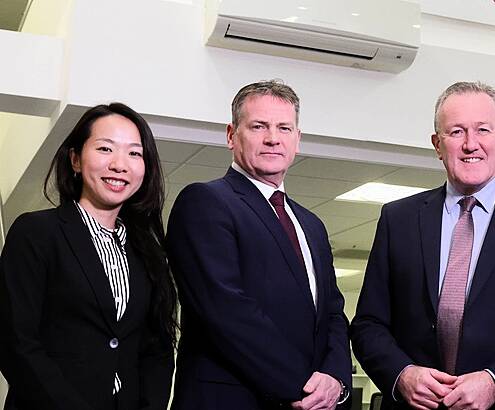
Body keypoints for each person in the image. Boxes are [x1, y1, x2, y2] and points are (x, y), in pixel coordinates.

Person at [350, 81, 495, 410]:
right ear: (437, 144)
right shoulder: (398, 219)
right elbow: (368, 325)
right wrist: (402, 374)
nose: (470, 144)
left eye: (483, 130)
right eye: (456, 132)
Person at [167, 80, 351, 410]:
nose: (272, 138)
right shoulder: (205, 202)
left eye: (284, 127)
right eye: (258, 126)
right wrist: (304, 386)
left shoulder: (311, 225)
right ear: (231, 135)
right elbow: (225, 311)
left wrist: (335, 380)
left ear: (298, 139)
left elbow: (333, 315)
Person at [0, 103, 178, 409]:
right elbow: (15, 341)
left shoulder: (148, 252)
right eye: (106, 149)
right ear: (75, 159)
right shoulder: (37, 233)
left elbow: (157, 350)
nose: (120, 165)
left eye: (135, 153)